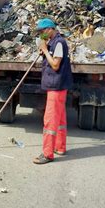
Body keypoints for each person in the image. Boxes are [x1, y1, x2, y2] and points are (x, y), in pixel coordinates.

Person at [33, 18, 73, 165]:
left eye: (42, 31)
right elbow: (52, 58)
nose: (41, 35)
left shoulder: (59, 43)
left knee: (50, 120)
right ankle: (60, 147)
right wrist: (44, 51)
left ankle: (47, 153)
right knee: (61, 119)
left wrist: (44, 50)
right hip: (59, 86)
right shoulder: (53, 42)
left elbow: (55, 65)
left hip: (56, 87)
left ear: (50, 29)